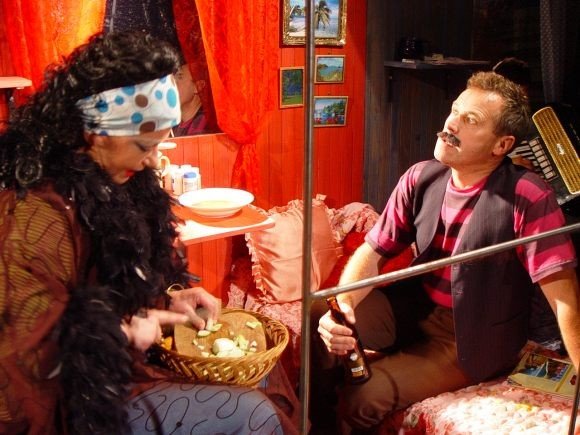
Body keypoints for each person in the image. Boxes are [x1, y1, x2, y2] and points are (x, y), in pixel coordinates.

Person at [0, 31, 297, 434]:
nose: (154, 161)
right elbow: (25, 346)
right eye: (145, 146)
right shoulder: (37, 210)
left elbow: (123, 282)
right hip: (78, 404)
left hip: (131, 369)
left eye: (161, 144)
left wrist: (169, 301)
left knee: (263, 371)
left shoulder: (122, 183)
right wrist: (122, 331)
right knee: (253, 413)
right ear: (97, 132)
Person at [313, 71, 580, 433]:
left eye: (471, 120)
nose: (451, 123)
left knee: (363, 397)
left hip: (471, 336)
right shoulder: (420, 177)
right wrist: (343, 306)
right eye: (455, 110)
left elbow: (564, 297)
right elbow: (373, 251)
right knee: (319, 308)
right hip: (417, 308)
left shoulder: (527, 195)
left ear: (501, 145)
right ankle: (317, 414)